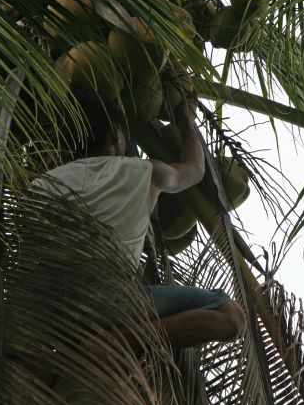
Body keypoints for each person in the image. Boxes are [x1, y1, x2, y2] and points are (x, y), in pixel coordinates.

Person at [32, 89, 245, 348]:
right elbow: (195, 170)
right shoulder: (144, 173)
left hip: (46, 313)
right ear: (115, 134)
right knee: (231, 317)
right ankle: (115, 342)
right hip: (111, 304)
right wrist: (187, 121)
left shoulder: (40, 185)